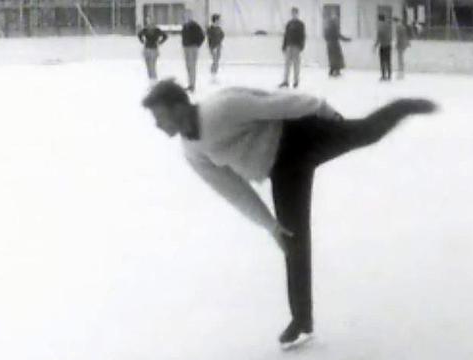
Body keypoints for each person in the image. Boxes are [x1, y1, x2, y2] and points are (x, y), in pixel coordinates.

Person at [141, 79, 437, 349]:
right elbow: (233, 190)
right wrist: (270, 225)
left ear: (178, 106)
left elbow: (275, 102)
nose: (157, 124)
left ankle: (404, 106)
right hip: (281, 170)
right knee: (293, 240)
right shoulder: (192, 152)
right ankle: (302, 320)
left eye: (159, 116)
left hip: (301, 135)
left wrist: (323, 109)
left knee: (365, 133)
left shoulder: (221, 107)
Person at [279, 7, 306, 88]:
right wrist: (284, 45)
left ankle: (296, 81)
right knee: (287, 64)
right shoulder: (289, 24)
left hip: (296, 46)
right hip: (288, 46)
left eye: (295, 13)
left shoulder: (301, 24)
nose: (294, 14)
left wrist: (301, 46)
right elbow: (286, 35)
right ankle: (285, 81)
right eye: (293, 13)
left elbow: (303, 36)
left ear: (297, 14)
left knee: (296, 64)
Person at [138, 16, 168, 83]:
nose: (148, 22)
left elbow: (165, 36)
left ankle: (154, 81)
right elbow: (139, 34)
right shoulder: (145, 29)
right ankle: (150, 80)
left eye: (150, 20)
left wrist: (160, 42)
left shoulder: (157, 30)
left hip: (154, 49)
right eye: (147, 20)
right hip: (146, 49)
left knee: (152, 66)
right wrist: (142, 41)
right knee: (148, 66)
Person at [181, 10, 206, 92]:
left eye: (188, 15)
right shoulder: (184, 26)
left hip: (193, 47)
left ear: (191, 16)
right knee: (188, 67)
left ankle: (192, 85)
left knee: (192, 67)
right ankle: (190, 84)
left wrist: (197, 45)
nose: (186, 17)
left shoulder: (195, 25)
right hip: (186, 48)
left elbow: (202, 36)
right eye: (185, 16)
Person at [323, 13, 351, 78]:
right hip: (334, 44)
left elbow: (325, 36)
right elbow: (339, 35)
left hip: (329, 44)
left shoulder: (327, 27)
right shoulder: (334, 27)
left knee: (332, 58)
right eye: (335, 19)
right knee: (337, 58)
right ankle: (336, 71)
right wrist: (347, 39)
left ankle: (332, 71)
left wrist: (328, 41)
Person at [207, 13, 225, 83]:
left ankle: (215, 75)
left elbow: (222, 35)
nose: (220, 21)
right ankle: (213, 75)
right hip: (213, 47)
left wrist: (220, 43)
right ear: (215, 20)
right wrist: (213, 47)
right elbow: (210, 39)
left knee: (217, 61)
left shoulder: (219, 28)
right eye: (219, 20)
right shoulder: (210, 29)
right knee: (215, 61)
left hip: (218, 46)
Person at [374, 14, 393, 81]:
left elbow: (378, 38)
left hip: (383, 46)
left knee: (382, 61)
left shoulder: (380, 28)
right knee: (388, 61)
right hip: (388, 45)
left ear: (379, 20)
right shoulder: (388, 26)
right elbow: (391, 37)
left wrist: (375, 46)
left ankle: (383, 75)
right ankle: (389, 75)